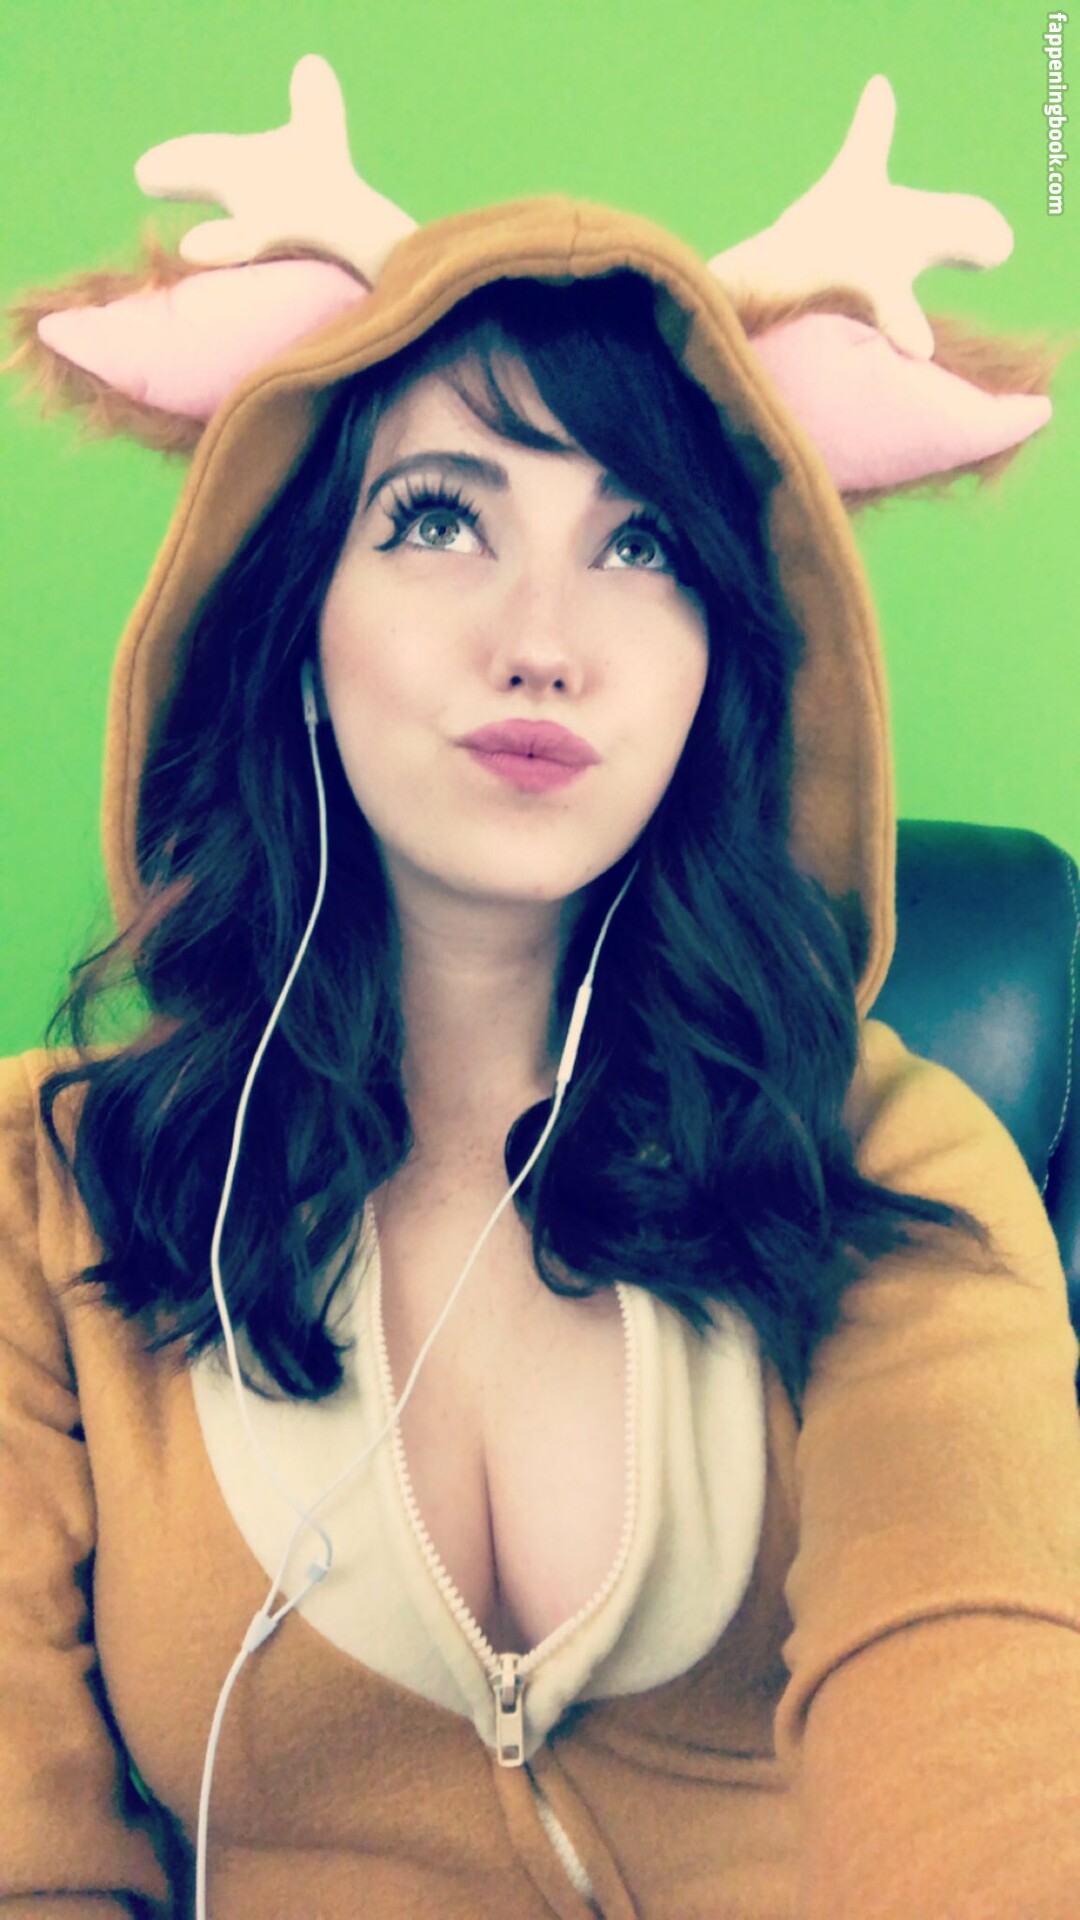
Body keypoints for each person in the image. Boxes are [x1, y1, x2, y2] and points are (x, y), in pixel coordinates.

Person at [2, 67, 1079, 1920]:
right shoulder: (45, 1193)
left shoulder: (889, 1161)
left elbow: (994, 1715)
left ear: (721, 667)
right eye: (440, 518)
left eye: (640, 544)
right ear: (298, 628)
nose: (544, 641)